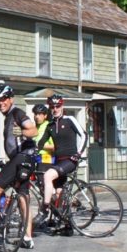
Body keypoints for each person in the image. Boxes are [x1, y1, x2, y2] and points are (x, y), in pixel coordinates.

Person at [0, 84, 38, 249]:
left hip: (20, 158)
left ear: (11, 99)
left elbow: (33, 130)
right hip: (26, 160)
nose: (1, 103)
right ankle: (28, 238)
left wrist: (22, 132)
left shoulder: (17, 113)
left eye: (3, 99)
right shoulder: (10, 115)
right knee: (23, 198)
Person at [37, 94, 88, 234]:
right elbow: (41, 143)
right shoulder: (50, 125)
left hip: (70, 160)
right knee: (59, 193)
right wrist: (29, 151)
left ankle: (44, 209)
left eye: (57, 106)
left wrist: (78, 153)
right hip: (59, 161)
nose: (55, 109)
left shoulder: (70, 120)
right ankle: (67, 226)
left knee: (48, 176)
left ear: (62, 106)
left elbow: (84, 135)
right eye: (52, 107)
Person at [31, 103, 55, 228]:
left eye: (39, 114)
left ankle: (47, 212)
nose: (36, 116)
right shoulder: (37, 126)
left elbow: (54, 146)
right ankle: (52, 213)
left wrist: (38, 145)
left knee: (44, 188)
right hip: (38, 160)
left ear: (45, 115)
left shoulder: (48, 126)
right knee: (42, 188)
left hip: (47, 160)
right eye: (35, 114)